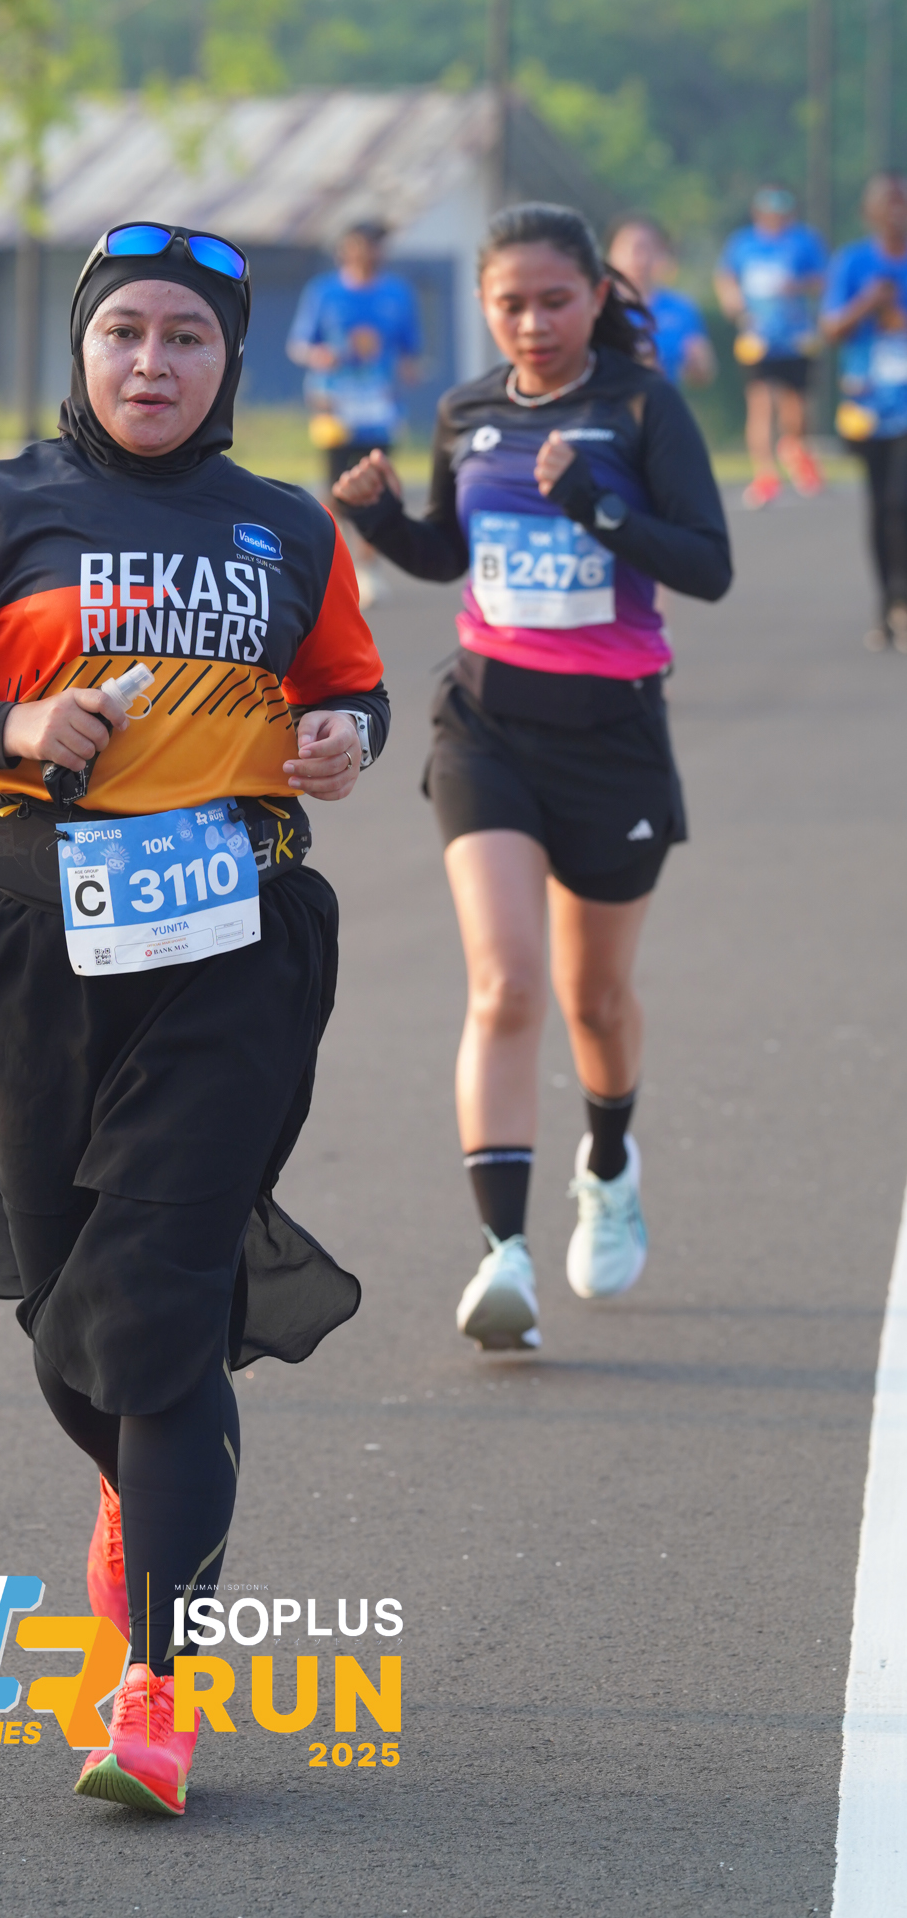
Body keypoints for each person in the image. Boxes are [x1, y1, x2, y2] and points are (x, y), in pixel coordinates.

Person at [0, 223, 388, 1817]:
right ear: (81, 349)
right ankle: (148, 1487)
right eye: (125, 332)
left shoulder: (287, 528)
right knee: (78, 1320)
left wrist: (342, 739)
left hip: (233, 947)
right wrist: (12, 721)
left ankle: (155, 1692)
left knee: (153, 1301)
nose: (153, 362)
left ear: (230, 362)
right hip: (37, 945)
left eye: (187, 337)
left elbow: (348, 690)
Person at [333, 202, 730, 1353]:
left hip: (611, 737)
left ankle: (605, 1167)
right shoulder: (466, 411)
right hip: (485, 724)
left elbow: (706, 565)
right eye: (508, 304)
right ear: (482, 304)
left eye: (554, 300)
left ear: (595, 296)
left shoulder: (641, 408)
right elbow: (450, 553)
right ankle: (501, 1250)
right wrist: (379, 520)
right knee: (503, 983)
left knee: (591, 997)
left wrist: (592, 504)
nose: (531, 323)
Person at [287, 220, 422, 604]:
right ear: (345, 249)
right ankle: (329, 554)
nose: (368, 253)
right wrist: (320, 356)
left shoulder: (398, 293)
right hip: (335, 403)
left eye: (376, 246)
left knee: (377, 484)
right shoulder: (324, 292)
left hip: (379, 406)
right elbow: (299, 345)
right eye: (362, 245)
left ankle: (366, 567)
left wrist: (408, 374)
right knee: (336, 487)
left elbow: (411, 351)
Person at [821, 172, 907, 652]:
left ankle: (903, 600)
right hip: (868, 407)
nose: (897, 210)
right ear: (868, 213)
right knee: (881, 507)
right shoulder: (853, 262)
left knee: (901, 500)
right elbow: (831, 329)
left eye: (903, 201)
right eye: (887, 202)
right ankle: (887, 605)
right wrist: (868, 302)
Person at [715, 184, 828, 509]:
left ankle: (794, 449)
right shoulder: (743, 243)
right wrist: (733, 303)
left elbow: (824, 280)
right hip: (757, 337)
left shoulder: (804, 241)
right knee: (760, 403)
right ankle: (765, 473)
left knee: (797, 407)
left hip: (795, 336)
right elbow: (726, 278)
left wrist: (798, 285)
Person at [607, 215, 716, 389]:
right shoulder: (600, 307)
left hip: (661, 402)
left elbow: (703, 374)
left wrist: (696, 364)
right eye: (627, 248)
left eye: (645, 248)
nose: (637, 258)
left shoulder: (681, 309)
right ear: (611, 254)